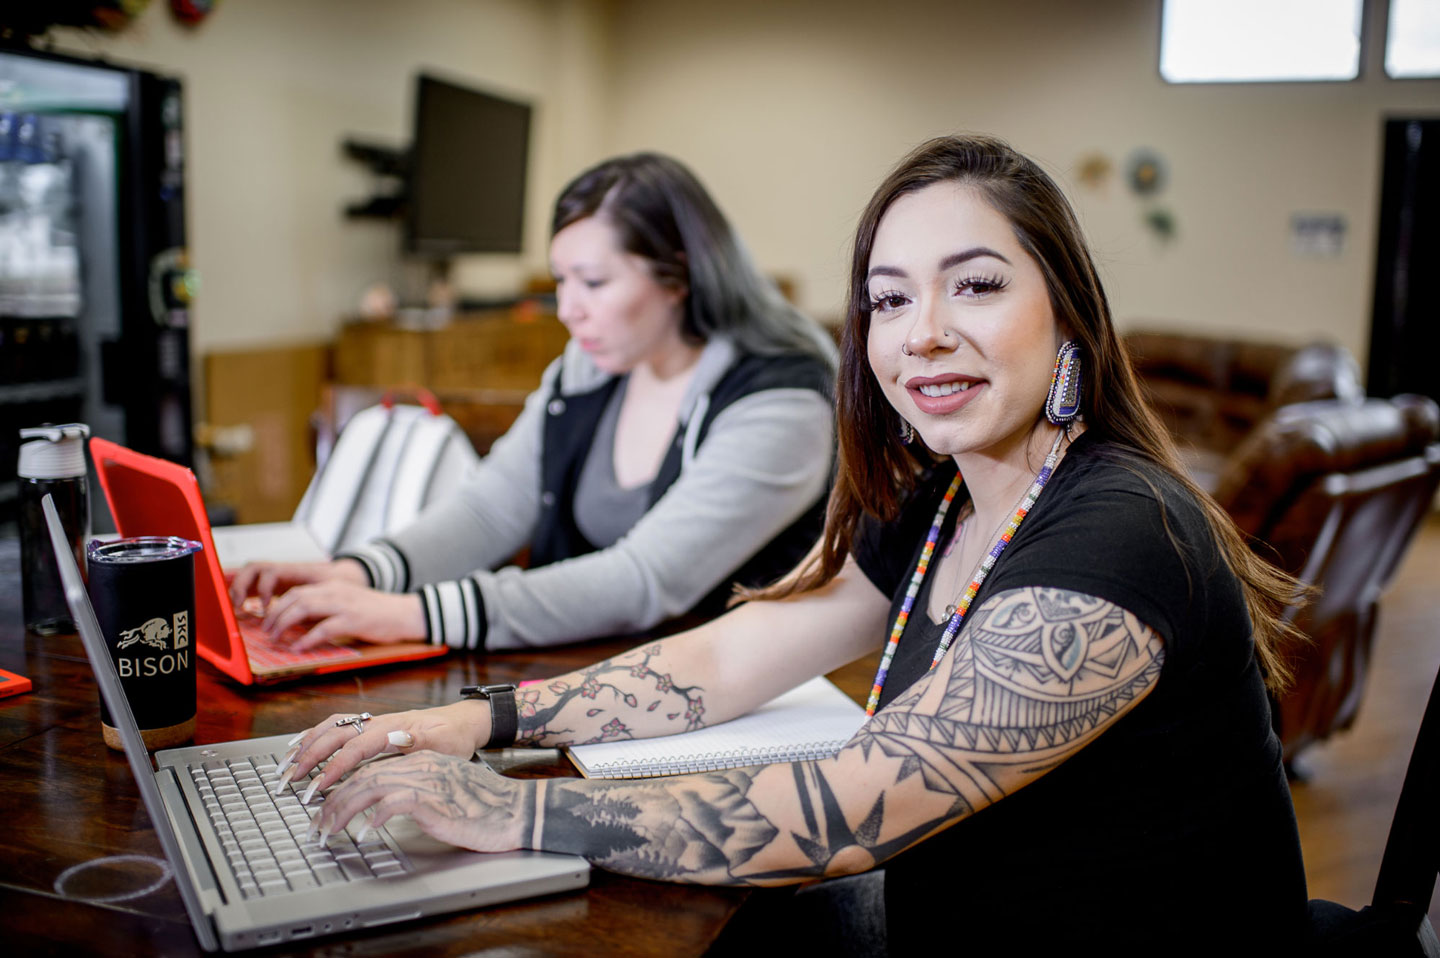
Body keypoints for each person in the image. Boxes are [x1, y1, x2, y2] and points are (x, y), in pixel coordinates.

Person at [278, 136, 1310, 951]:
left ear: (1070, 313)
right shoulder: (947, 496)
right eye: (891, 298)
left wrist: (514, 813)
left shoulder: (1122, 532)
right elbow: (734, 653)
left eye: (979, 285)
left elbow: (847, 806)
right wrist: (485, 720)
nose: (924, 333)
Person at [231, 153, 837, 653]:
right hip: (590, 671)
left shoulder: (780, 399)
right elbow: (493, 508)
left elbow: (646, 580)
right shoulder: (591, 365)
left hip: (730, 697)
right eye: (561, 281)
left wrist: (413, 613)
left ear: (678, 275)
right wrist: (362, 573)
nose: (569, 309)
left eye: (594, 283)